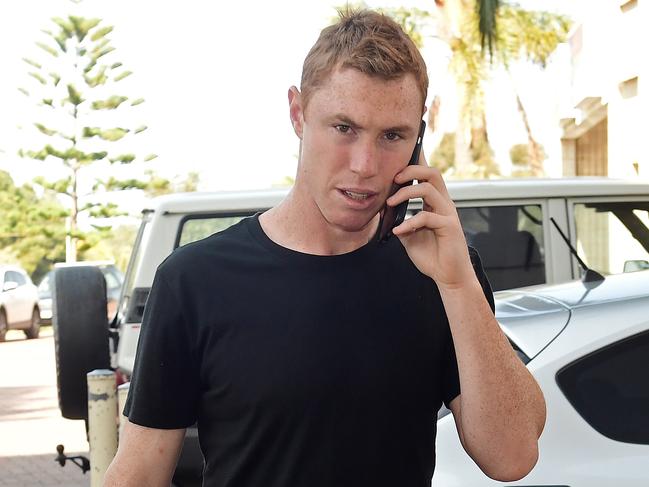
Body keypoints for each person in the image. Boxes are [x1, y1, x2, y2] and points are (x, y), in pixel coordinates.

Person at [104, 8, 546, 487]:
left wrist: (459, 283)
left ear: (419, 138)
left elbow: (513, 456)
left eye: (393, 136)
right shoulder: (195, 280)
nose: (364, 164)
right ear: (298, 113)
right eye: (344, 128)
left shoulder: (441, 274)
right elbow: (139, 473)